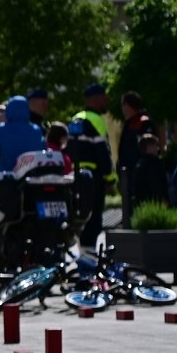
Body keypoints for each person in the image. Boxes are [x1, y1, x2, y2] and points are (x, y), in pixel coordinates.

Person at [68, 84, 114, 253]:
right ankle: (89, 261)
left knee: (80, 217)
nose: (106, 101)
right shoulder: (96, 120)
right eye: (103, 97)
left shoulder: (75, 118)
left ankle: (82, 257)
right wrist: (110, 179)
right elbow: (103, 152)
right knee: (93, 220)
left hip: (74, 176)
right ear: (94, 99)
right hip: (93, 178)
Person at [117, 91, 154, 223]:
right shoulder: (129, 123)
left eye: (123, 104)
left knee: (139, 203)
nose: (122, 108)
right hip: (128, 172)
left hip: (140, 173)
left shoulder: (143, 122)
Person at [128, 134, 169, 220]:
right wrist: (164, 198)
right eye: (155, 145)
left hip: (142, 203)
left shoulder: (139, 164)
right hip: (156, 202)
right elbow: (157, 184)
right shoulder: (155, 163)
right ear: (149, 147)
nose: (157, 148)